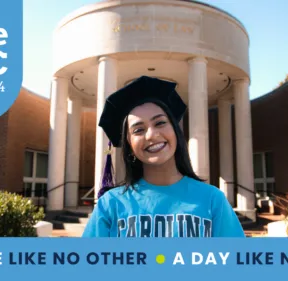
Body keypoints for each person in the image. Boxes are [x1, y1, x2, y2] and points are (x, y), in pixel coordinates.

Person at [82, 75, 245, 238]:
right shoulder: (111, 205)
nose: (151, 135)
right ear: (129, 146)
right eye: (138, 130)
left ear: (175, 131)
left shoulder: (212, 200)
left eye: (160, 123)